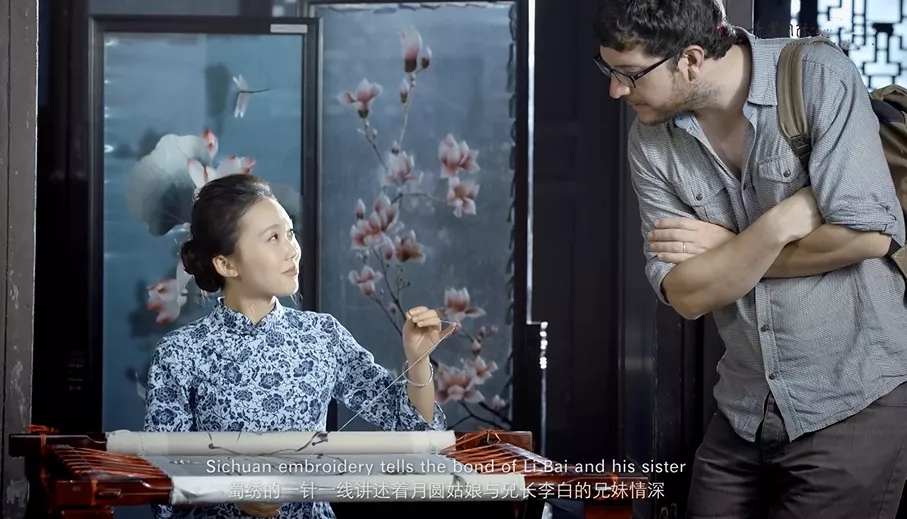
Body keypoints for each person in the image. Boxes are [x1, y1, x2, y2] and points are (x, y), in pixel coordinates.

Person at [593, 0, 907, 517]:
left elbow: (869, 236)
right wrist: (775, 226)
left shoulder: (816, 77)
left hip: (854, 400)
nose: (615, 90)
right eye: (607, 70)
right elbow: (686, 294)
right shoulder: (651, 140)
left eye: (628, 74)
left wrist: (726, 249)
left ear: (691, 59)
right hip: (743, 408)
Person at [143, 174, 451, 519]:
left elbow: (415, 433)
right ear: (226, 264)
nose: (293, 250)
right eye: (273, 237)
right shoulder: (179, 354)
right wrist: (228, 492)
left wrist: (419, 360)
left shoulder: (322, 336)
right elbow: (159, 485)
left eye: (289, 233)